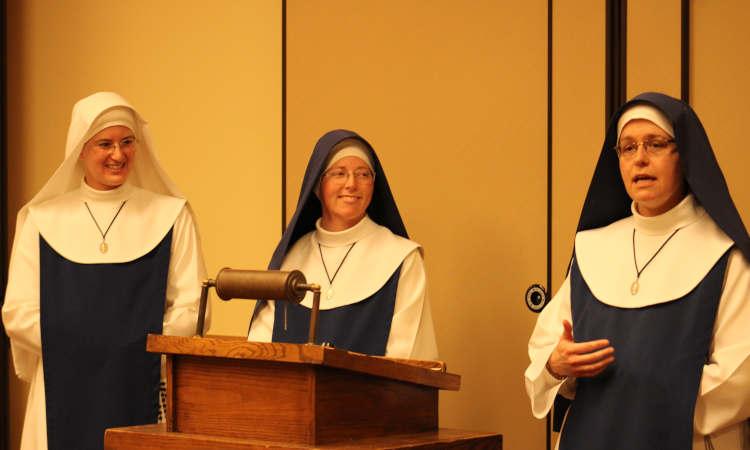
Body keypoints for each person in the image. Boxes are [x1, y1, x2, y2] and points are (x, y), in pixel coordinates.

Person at [525, 92, 750, 450]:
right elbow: (545, 350)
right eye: (627, 148)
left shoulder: (723, 254)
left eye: (655, 144)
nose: (640, 159)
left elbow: (739, 375)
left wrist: (636, 409)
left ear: (685, 155)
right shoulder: (592, 248)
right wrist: (556, 364)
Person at [2, 92, 210, 450]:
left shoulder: (171, 216)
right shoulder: (42, 220)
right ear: (80, 150)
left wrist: (132, 347)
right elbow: (18, 312)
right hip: (61, 386)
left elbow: (192, 308)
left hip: (144, 380)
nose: (119, 154)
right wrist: (89, 345)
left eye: (127, 142)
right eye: (105, 143)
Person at [248, 129, 437, 360]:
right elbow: (260, 347)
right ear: (318, 184)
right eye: (339, 173)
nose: (351, 184)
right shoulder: (290, 260)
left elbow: (410, 361)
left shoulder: (401, 259)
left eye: (363, 174)